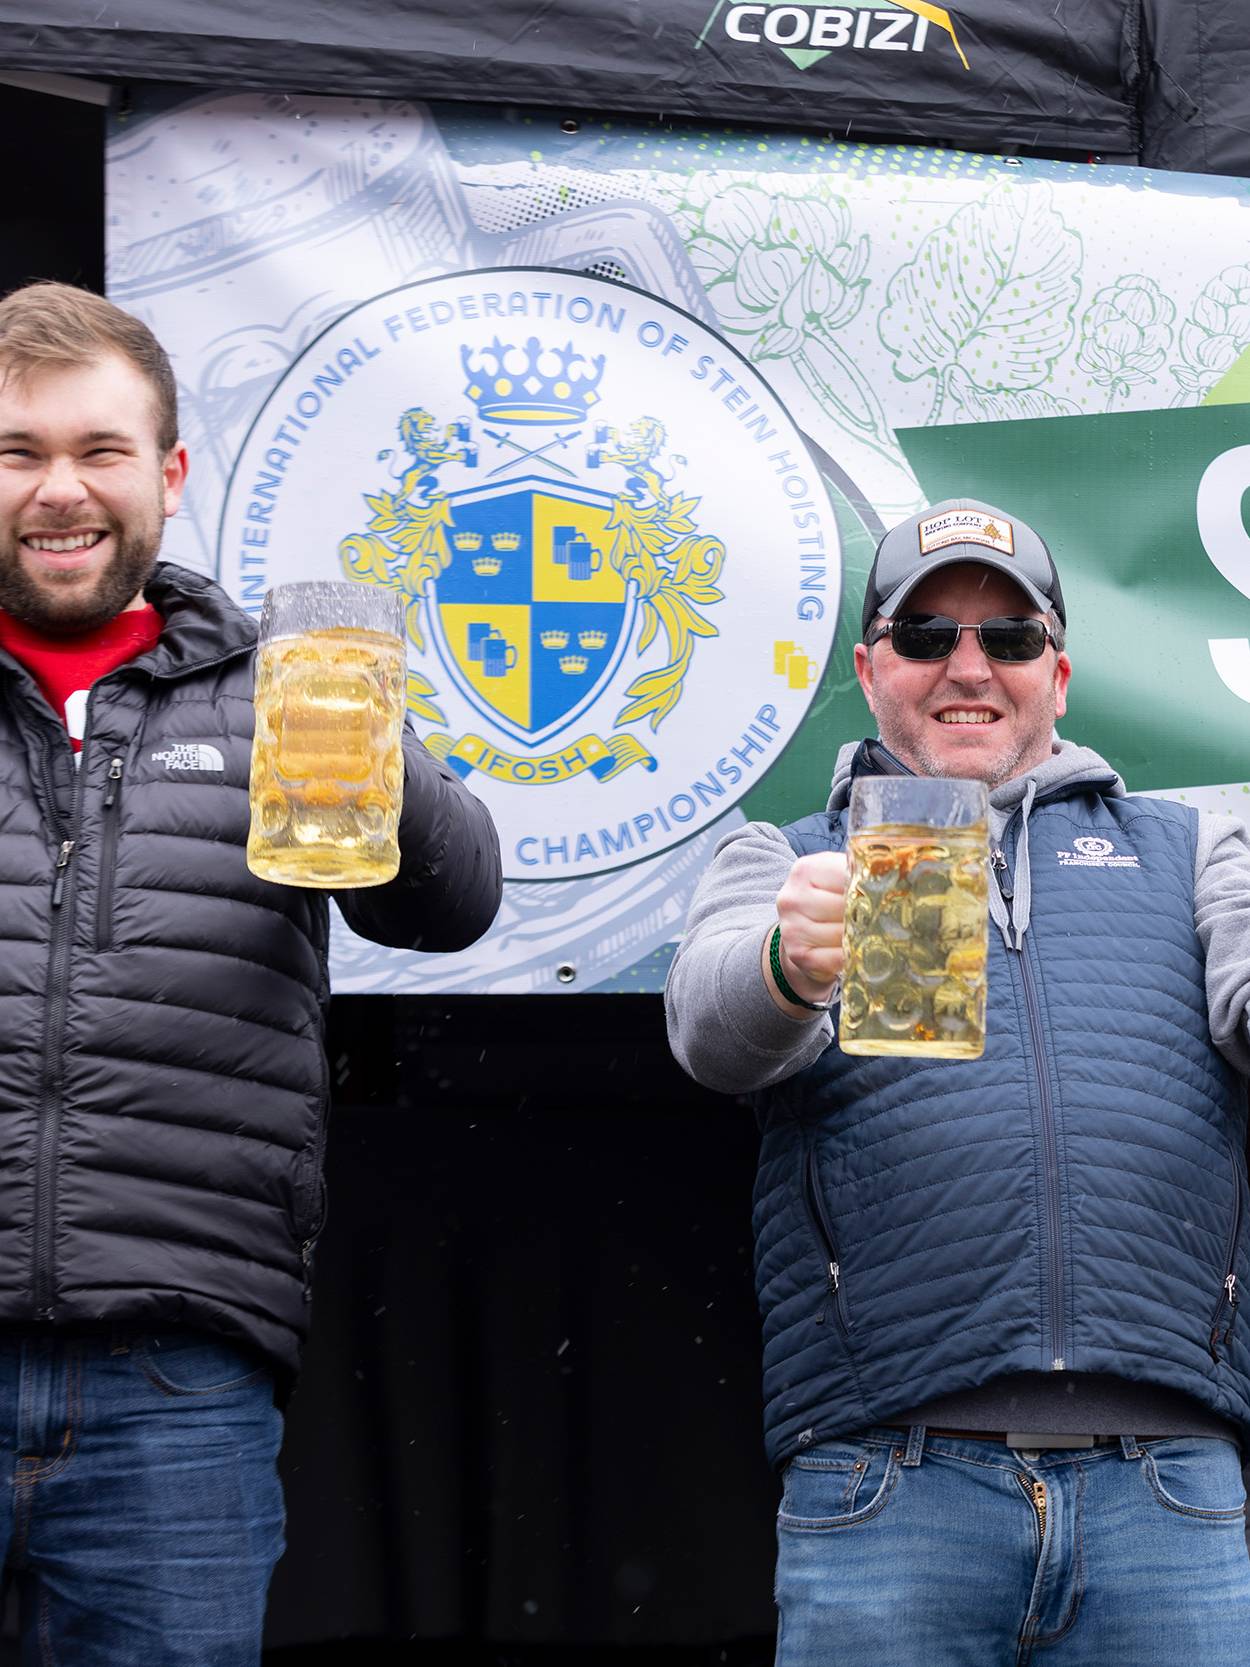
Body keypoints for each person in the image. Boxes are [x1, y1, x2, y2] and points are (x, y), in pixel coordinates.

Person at [0, 280, 502, 1664]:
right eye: (18, 452)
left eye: (99, 451)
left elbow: (453, 902)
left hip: (179, 1365)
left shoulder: (279, 690)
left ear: (166, 474)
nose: (60, 490)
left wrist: (372, 741)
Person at [666, 498, 1250, 1663]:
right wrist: (793, 965)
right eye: (926, 634)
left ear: (1059, 672)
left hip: (1167, 1483)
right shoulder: (783, 854)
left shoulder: (1189, 846)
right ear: (870, 667)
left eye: (1009, 636)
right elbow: (709, 1032)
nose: (966, 666)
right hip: (889, 1475)